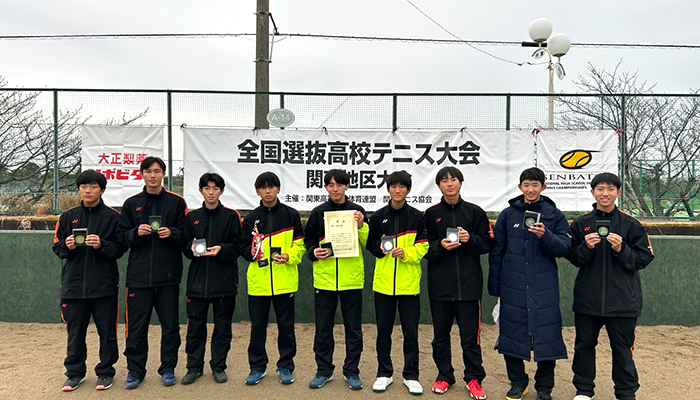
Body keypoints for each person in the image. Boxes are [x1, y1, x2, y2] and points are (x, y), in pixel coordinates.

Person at [567, 172, 654, 400]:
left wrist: (621, 249)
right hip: (588, 300)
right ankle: (584, 391)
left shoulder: (631, 224)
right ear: (593, 192)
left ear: (618, 193)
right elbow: (573, 258)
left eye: (610, 189)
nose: (605, 193)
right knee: (584, 346)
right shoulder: (581, 224)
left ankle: (625, 393)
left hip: (623, 301)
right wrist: (586, 248)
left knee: (623, 349)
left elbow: (644, 258)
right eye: (600, 189)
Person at [488, 167, 572, 400]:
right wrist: (495, 288)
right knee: (511, 334)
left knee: (548, 336)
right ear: (520, 187)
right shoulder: (508, 215)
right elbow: (497, 252)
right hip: (512, 286)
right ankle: (517, 383)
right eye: (526, 185)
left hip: (544, 287)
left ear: (543, 187)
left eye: (535, 185)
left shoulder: (554, 215)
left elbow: (565, 247)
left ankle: (544, 388)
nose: (531, 189)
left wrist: (546, 236)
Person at [117, 156, 188, 389]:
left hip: (168, 277)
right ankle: (135, 371)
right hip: (139, 278)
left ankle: (168, 369)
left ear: (164, 174)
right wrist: (136, 233)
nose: (153, 175)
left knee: (170, 327)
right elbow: (121, 238)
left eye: (157, 171)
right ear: (142, 174)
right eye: (148, 171)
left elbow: (186, 236)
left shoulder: (177, 203)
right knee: (136, 329)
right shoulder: (131, 204)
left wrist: (172, 234)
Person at [53, 170, 127, 391]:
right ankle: (75, 374)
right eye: (84, 186)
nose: (88, 191)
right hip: (74, 287)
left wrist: (101, 245)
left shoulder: (113, 217)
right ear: (79, 189)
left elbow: (120, 249)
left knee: (107, 333)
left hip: (104, 287)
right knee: (75, 334)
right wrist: (67, 245)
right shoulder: (67, 217)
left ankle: (105, 372)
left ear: (102, 190)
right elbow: (57, 248)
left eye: (93, 187)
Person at [424, 166, 494, 399]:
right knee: (440, 338)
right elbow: (424, 249)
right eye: (444, 181)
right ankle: (444, 376)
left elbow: (488, 243)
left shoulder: (475, 212)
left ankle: (474, 378)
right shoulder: (431, 214)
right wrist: (440, 246)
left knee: (470, 339)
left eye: (453, 179)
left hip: (469, 288)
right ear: (439, 186)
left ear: (461, 183)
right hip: (440, 289)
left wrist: (469, 238)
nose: (449, 184)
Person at [239, 171, 306, 386]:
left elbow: (300, 245)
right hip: (258, 283)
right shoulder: (251, 219)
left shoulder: (291, 215)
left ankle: (285, 366)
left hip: (285, 281)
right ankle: (257, 367)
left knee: (286, 327)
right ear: (257, 191)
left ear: (278, 189)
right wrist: (251, 252)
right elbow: (242, 247)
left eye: (271, 186)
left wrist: (289, 257)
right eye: (263, 187)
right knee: (257, 327)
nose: (268, 191)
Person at [304, 169, 369, 390]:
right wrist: (314, 252)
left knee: (353, 329)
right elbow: (309, 241)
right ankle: (324, 371)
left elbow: (369, 242)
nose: (335, 189)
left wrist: (361, 226)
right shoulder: (318, 212)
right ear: (326, 187)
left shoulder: (358, 212)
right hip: (325, 280)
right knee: (323, 329)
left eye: (339, 184)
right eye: (331, 185)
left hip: (352, 280)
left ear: (347, 186)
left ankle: (352, 371)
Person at [366, 170, 428, 395]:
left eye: (402, 187)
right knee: (383, 332)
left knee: (411, 333)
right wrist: (380, 248)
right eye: (394, 186)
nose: (397, 190)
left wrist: (406, 253)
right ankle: (384, 373)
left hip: (409, 285)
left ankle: (411, 376)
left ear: (408, 190)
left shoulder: (418, 217)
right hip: (383, 286)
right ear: (388, 189)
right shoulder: (378, 216)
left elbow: (423, 246)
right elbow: (371, 245)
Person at [180, 173, 242, 385]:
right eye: (207, 188)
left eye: (215, 188)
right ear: (201, 191)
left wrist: (221, 249)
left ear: (222, 191)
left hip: (224, 283)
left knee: (223, 328)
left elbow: (238, 247)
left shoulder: (231, 216)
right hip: (197, 284)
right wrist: (190, 248)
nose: (211, 192)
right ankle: (194, 368)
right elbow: (184, 245)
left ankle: (218, 367)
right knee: (195, 329)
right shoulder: (192, 217)